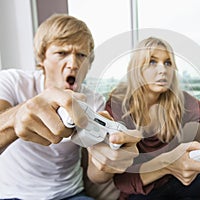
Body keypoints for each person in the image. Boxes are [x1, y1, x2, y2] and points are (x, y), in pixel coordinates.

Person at [88, 37, 200, 200]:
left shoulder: (180, 100)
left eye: (167, 63)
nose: (162, 70)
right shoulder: (117, 106)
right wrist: (167, 165)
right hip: (142, 192)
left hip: (177, 180)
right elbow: (123, 181)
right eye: (152, 62)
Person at [0, 14, 139, 199]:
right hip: (16, 196)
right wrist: (17, 116)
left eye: (81, 55)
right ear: (42, 58)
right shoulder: (12, 82)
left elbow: (95, 176)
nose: (73, 64)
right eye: (61, 53)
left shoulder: (94, 101)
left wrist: (107, 162)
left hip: (71, 194)